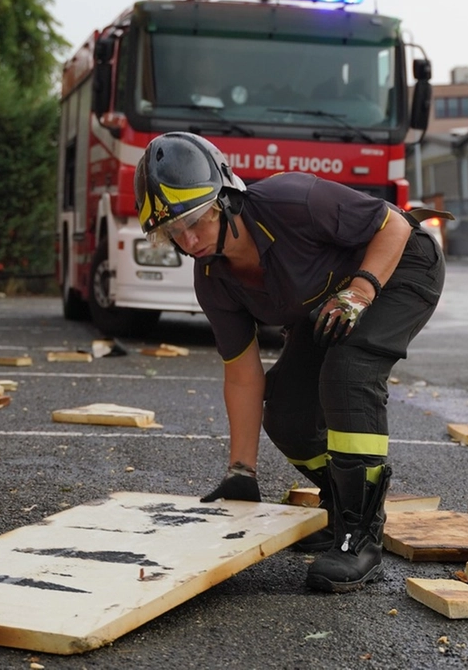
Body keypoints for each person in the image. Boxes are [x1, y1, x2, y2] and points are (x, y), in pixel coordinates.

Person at [135, 132, 445, 593]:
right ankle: (342, 505)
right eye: (173, 232)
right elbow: (243, 375)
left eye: (197, 220)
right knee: (286, 411)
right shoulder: (213, 281)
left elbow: (394, 226)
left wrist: (360, 290)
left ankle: (359, 537)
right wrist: (242, 472)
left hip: (400, 267)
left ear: (227, 198)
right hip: (329, 299)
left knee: (347, 371)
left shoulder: (293, 200)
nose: (190, 239)